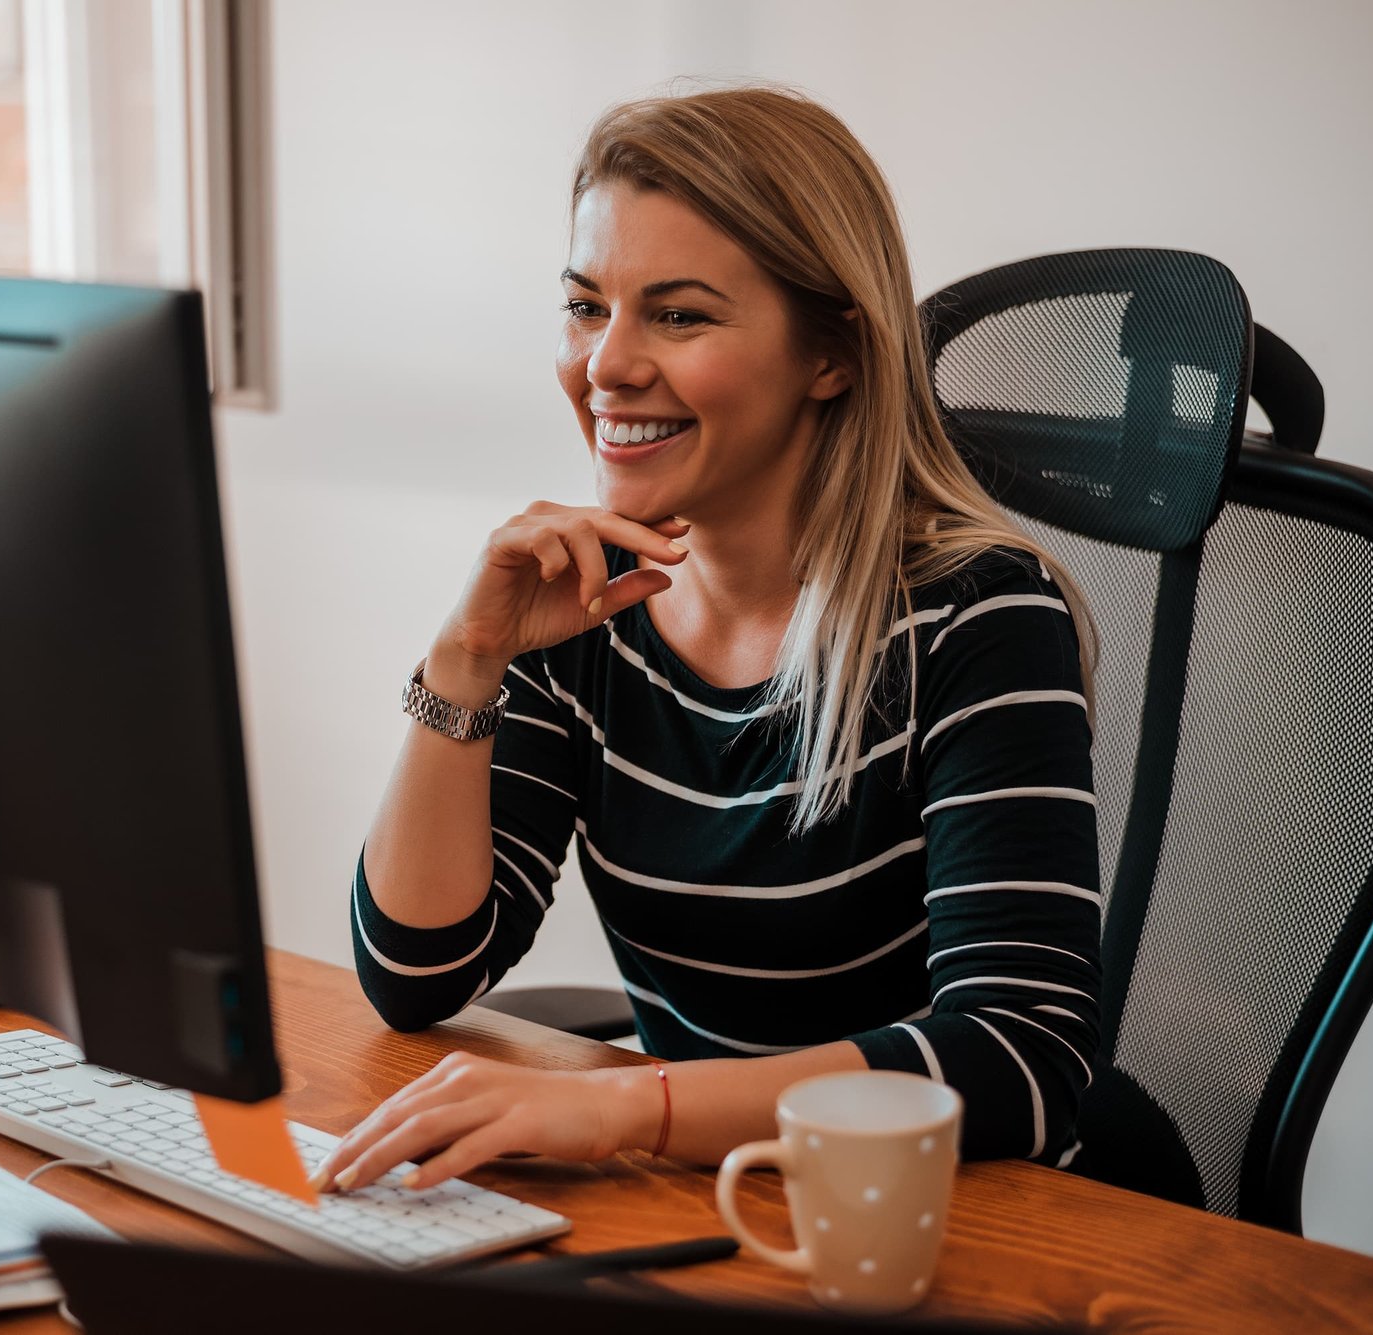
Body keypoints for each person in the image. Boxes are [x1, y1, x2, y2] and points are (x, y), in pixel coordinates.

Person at [311, 85, 1101, 1195]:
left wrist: (621, 1104)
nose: (607, 366)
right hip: (717, 1198)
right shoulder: (584, 603)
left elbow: (1019, 1055)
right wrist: (465, 659)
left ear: (829, 355)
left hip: (938, 1216)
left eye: (676, 316)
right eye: (586, 306)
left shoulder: (976, 615)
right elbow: (417, 974)